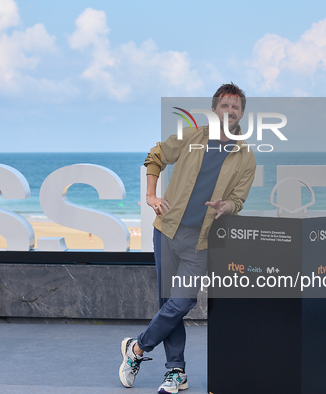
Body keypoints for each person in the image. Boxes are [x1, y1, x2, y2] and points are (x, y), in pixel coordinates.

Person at [119, 83, 256, 393]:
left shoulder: (246, 157)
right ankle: (176, 371)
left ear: (242, 113)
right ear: (215, 109)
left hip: (202, 240)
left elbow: (239, 199)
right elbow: (155, 156)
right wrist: (151, 195)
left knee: (182, 301)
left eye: (235, 107)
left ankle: (137, 350)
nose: (230, 111)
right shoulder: (191, 135)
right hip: (166, 231)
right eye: (224, 105)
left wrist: (227, 206)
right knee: (169, 302)